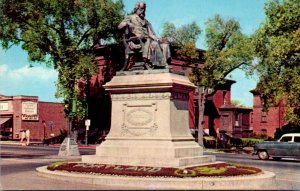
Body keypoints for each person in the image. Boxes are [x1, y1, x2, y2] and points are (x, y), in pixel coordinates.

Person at [118, 2, 170, 69]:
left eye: (144, 9)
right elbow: (119, 26)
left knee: (164, 44)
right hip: (136, 41)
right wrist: (127, 23)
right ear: (136, 9)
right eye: (141, 9)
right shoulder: (130, 17)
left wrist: (158, 39)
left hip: (147, 40)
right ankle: (162, 64)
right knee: (154, 44)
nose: (143, 11)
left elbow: (151, 34)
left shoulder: (145, 21)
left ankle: (160, 64)